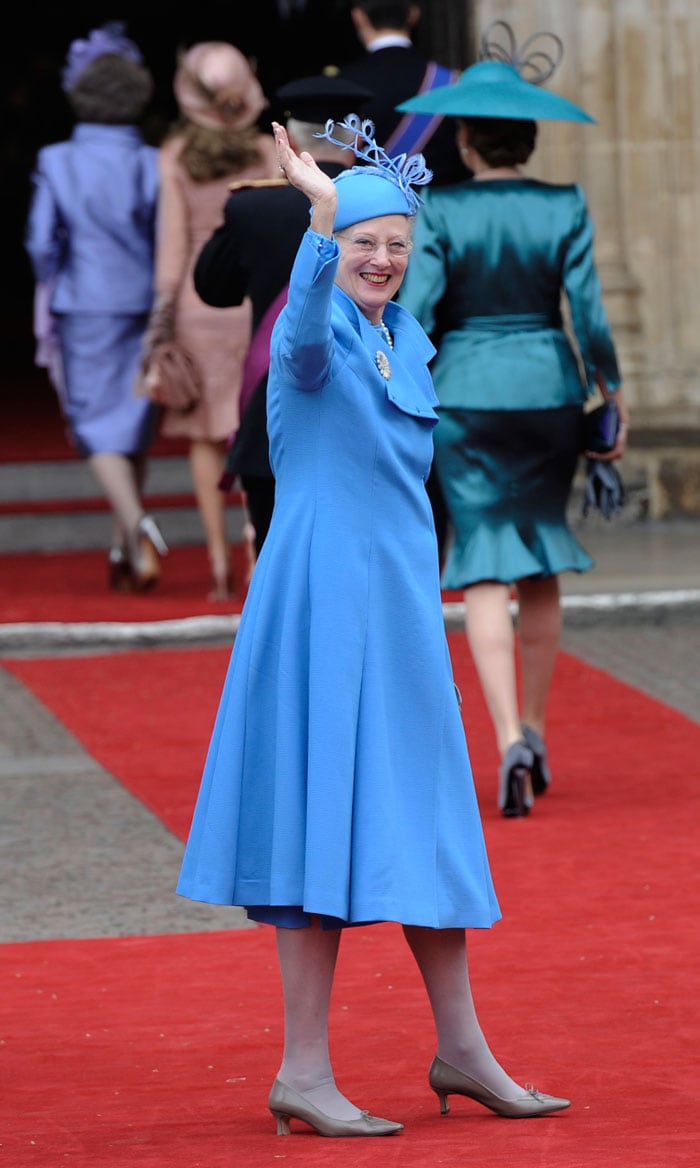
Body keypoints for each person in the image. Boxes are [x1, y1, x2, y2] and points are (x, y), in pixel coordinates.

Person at [176, 113, 570, 1136]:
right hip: (319, 611)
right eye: (364, 243)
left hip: (398, 614)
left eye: (394, 241)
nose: (382, 258)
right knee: (318, 838)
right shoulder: (309, 342)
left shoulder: (404, 334)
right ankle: (303, 1068)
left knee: (431, 824)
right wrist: (317, 216)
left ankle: (463, 1048)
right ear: (331, 248)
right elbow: (302, 326)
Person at [397, 24, 631, 816]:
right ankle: (534, 722)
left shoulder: (439, 210)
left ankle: (505, 738)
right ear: (527, 137)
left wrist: (397, 384)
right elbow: (590, 314)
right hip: (550, 390)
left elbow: (418, 314)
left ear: (464, 140)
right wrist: (611, 393)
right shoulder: (564, 203)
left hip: (465, 393)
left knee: (482, 565)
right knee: (540, 558)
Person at [193, 73, 373, 565]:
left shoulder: (253, 206)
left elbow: (212, 286)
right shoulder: (386, 207)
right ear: (358, 136)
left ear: (288, 138)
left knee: (283, 565)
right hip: (366, 405)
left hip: (275, 410)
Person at [24, 22, 166, 592]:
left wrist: (51, 280)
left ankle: (138, 526)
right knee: (130, 422)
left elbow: (39, 240)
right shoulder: (152, 159)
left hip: (84, 300)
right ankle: (124, 549)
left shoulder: (57, 159)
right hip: (140, 297)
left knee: (93, 423)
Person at [145, 42, 278, 601]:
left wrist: (160, 322)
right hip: (254, 302)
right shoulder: (268, 150)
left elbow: (172, 251)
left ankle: (219, 563)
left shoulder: (174, 155)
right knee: (257, 431)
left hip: (200, 307)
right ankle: (255, 544)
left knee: (203, 440)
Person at [336, 0, 464, 561]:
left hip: (353, 272)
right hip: (430, 272)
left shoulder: (341, 90)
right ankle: (426, 536)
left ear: (359, 16)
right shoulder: (451, 88)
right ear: (414, 13)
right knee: (421, 402)